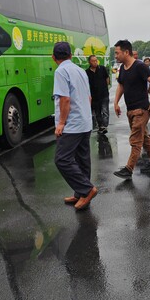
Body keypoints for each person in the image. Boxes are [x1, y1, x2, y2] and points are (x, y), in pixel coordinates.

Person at [52, 41, 98, 210]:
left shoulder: (61, 71)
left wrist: (61, 123)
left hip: (72, 125)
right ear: (71, 56)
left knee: (62, 159)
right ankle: (81, 193)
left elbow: (64, 99)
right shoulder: (80, 70)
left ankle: (87, 189)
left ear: (53, 57)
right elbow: (89, 98)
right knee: (82, 159)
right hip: (85, 122)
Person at [113, 40, 150, 179]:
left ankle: (129, 169)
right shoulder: (122, 68)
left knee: (135, 140)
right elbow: (121, 86)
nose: (115, 56)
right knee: (144, 137)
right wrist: (116, 103)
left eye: (117, 53)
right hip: (130, 110)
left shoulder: (139, 66)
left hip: (141, 110)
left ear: (126, 52)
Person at [86, 55, 110, 134]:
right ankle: (101, 126)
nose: (95, 62)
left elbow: (107, 78)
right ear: (89, 62)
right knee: (97, 112)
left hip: (104, 94)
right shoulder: (87, 72)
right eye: (93, 61)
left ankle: (105, 125)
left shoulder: (102, 68)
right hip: (94, 96)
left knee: (105, 110)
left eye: (96, 60)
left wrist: (106, 87)